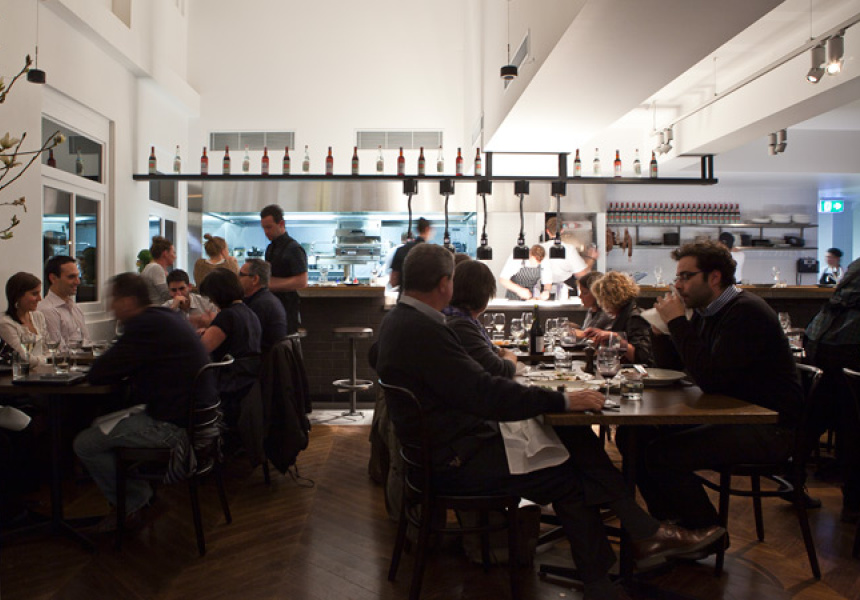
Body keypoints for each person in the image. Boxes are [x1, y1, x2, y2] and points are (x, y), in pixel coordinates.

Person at [374, 243, 724, 600]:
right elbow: (488, 394)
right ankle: (611, 574)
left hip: (437, 453)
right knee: (571, 478)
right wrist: (564, 399)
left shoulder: (399, 321)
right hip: (456, 461)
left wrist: (557, 401)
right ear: (445, 283)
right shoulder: (427, 330)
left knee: (574, 441)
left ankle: (637, 542)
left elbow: (474, 390)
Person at [628, 240, 802, 534]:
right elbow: (677, 369)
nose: (678, 285)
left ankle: (706, 531)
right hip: (733, 414)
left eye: (686, 276)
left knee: (662, 454)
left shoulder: (745, 312)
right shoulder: (707, 312)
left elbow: (711, 379)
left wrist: (679, 323)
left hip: (769, 426)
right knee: (635, 436)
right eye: (678, 277)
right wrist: (661, 331)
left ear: (714, 277)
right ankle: (671, 526)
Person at [73, 273, 217, 531]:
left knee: (85, 443)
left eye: (113, 300)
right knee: (101, 424)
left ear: (128, 301)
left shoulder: (144, 325)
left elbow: (99, 373)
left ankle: (136, 503)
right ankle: (138, 499)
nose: (111, 307)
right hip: (199, 421)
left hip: (175, 428)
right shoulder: (165, 318)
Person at [805, 257, 860, 523]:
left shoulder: (856, 265)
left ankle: (792, 477)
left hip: (822, 340)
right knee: (852, 425)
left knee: (823, 415)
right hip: (849, 348)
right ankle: (853, 501)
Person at [198, 269, 262, 425]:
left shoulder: (227, 316)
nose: (211, 302)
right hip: (247, 382)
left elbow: (200, 350)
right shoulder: (249, 313)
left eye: (211, 297)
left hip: (229, 385)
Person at [443, 259, 517, 378]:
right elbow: (501, 370)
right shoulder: (461, 326)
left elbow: (491, 352)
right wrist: (510, 357)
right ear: (486, 295)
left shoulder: (453, 317)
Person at [586, 271, 654, 365]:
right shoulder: (624, 314)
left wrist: (614, 338)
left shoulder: (635, 318)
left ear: (609, 298)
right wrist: (601, 333)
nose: (600, 304)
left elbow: (641, 356)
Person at [260, 204, 308, 335]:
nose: (266, 232)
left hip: (287, 308)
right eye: (264, 228)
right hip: (272, 306)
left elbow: (302, 281)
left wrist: (271, 284)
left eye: (269, 227)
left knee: (284, 343)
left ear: (281, 224)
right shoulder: (270, 248)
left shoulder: (294, 248)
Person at [239, 258, 288, 354]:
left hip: (262, 359)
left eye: (241, 275)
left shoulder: (261, 305)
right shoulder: (265, 299)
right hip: (268, 357)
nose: (237, 278)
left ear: (255, 279)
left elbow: (245, 339)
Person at [39, 255, 91, 344]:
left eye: (78, 276)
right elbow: (57, 350)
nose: (78, 282)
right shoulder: (47, 310)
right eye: (71, 277)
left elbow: (87, 342)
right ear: (53, 278)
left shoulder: (74, 307)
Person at [541, 216, 596, 300]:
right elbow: (581, 274)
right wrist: (591, 259)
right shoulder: (569, 249)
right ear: (562, 230)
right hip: (565, 292)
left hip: (543, 293)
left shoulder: (540, 248)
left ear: (547, 231)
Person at [0, 272, 48, 366]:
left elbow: (49, 348)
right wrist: (47, 360)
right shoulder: (5, 323)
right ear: (18, 296)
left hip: (44, 371)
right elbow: (24, 358)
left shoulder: (38, 316)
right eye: (34, 294)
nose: (39, 299)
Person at [388, 217, 434, 290]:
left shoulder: (401, 250)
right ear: (427, 229)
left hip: (404, 294)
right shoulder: (432, 253)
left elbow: (393, 280)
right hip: (425, 295)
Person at [141, 235, 176, 305]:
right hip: (158, 309)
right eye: (173, 252)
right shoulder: (156, 268)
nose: (175, 256)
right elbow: (166, 295)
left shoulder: (149, 267)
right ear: (165, 253)